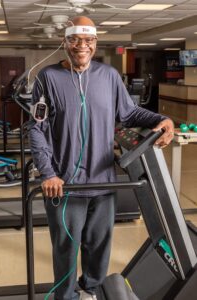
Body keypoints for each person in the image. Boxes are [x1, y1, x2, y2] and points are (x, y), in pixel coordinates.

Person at [29, 16, 174, 300]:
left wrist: (163, 119)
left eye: (88, 40)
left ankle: (92, 291)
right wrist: (47, 173)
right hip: (66, 185)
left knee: (99, 248)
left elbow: (130, 113)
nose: (81, 46)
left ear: (95, 43)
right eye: (74, 40)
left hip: (104, 183)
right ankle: (67, 296)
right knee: (65, 250)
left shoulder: (108, 76)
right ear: (65, 42)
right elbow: (37, 128)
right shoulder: (47, 78)